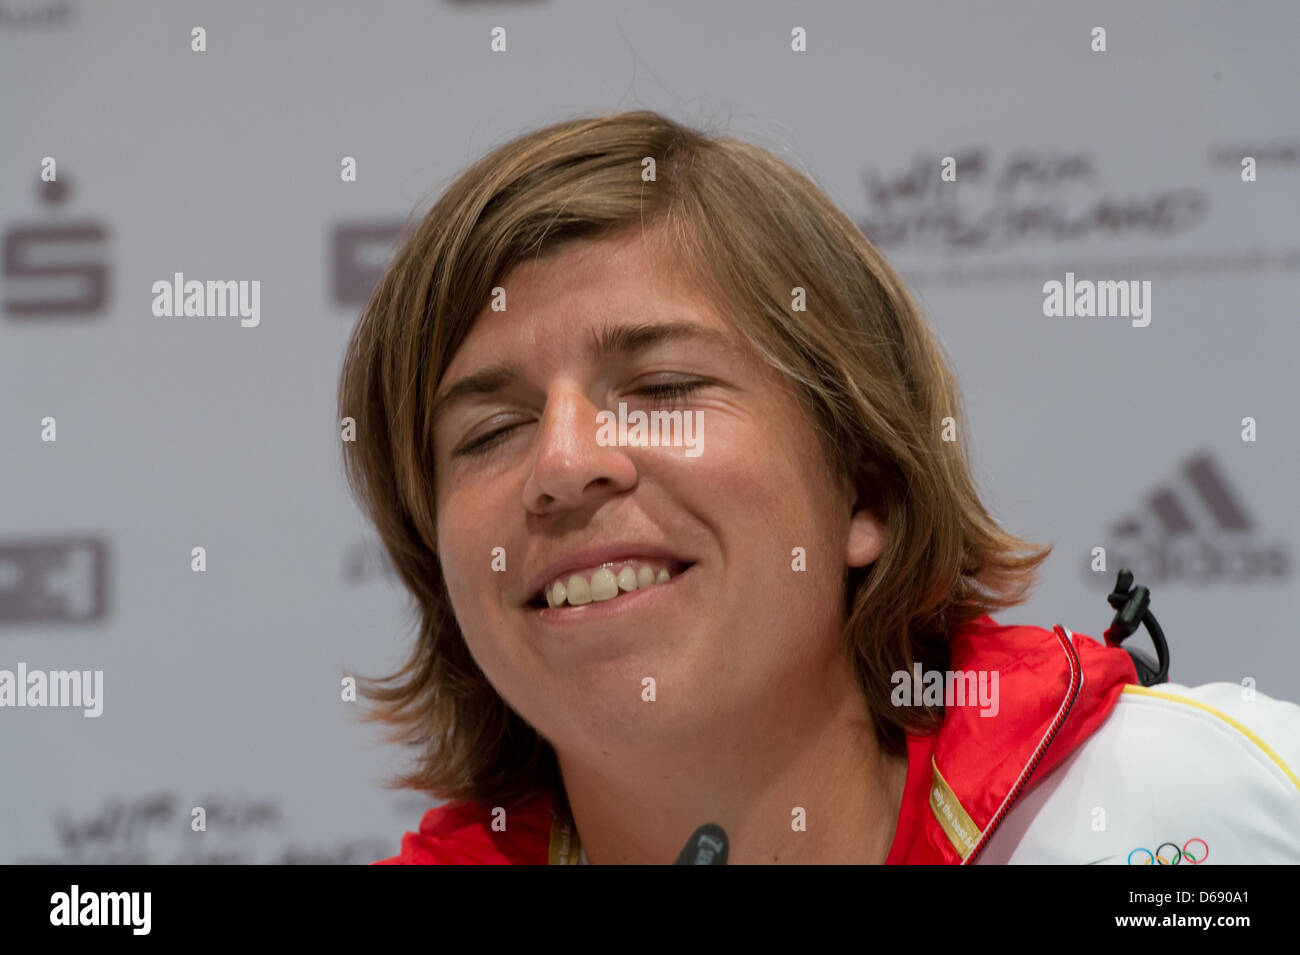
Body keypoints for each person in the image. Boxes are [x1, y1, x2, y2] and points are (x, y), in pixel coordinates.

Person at [338, 110, 1300, 864]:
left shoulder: (1233, 810)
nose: (561, 463)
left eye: (664, 388)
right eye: (492, 430)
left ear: (866, 487)